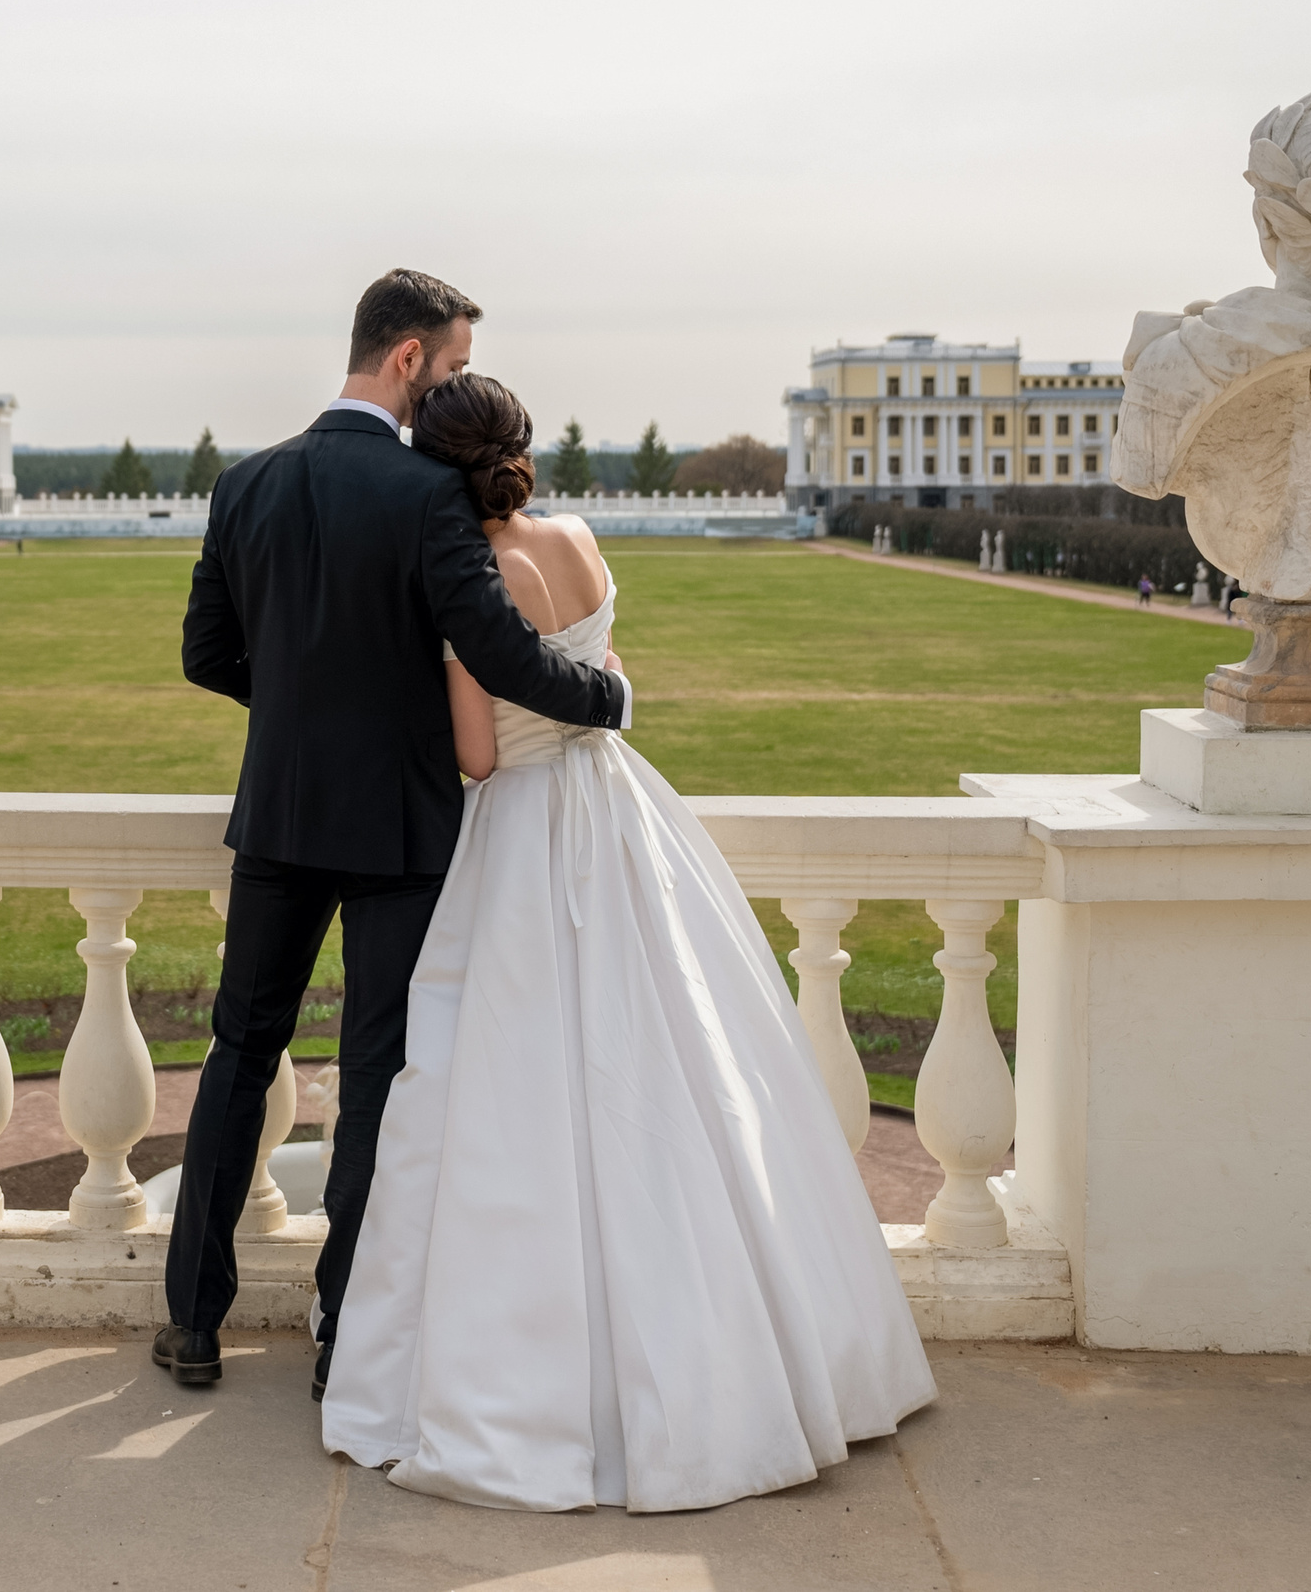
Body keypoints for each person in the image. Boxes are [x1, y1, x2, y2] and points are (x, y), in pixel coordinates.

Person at [321, 373, 935, 1513]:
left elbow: (480, 758)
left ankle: (548, 1385)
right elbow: (606, 678)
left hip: (522, 827)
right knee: (683, 1060)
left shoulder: (473, 573)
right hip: (620, 806)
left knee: (509, 1089)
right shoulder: (581, 538)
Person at [158, 271, 633, 1395]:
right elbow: (505, 655)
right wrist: (610, 699)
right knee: (373, 1072)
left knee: (240, 1053)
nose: (456, 385)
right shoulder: (426, 495)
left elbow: (205, 654)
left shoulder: (246, 481)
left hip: (278, 810)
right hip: (400, 826)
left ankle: (191, 1320)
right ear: (411, 359)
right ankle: (342, 1337)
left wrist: (297, 716)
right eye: (455, 364)